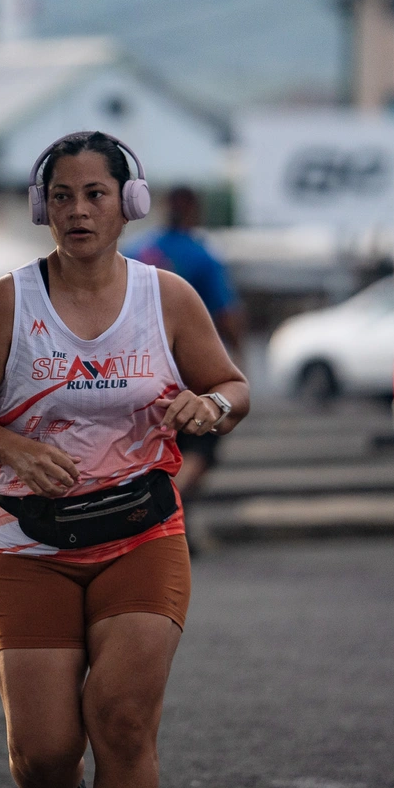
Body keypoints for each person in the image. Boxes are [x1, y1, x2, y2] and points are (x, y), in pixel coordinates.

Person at [0, 131, 249, 788]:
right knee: (43, 756)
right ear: (41, 207)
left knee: (124, 723)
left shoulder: (166, 298)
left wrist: (211, 406)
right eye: (63, 196)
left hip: (141, 530)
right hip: (30, 542)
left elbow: (233, 385)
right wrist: (15, 449)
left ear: (128, 203)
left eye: (95, 194)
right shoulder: (8, 302)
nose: (78, 211)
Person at [125, 187, 245, 547]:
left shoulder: (134, 251)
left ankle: (172, 521)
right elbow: (225, 312)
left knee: (152, 446)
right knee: (198, 448)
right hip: (188, 365)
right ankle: (156, 510)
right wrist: (237, 355)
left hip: (134, 364)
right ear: (193, 211)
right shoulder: (202, 255)